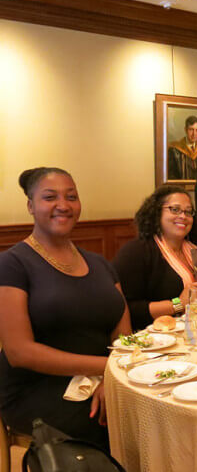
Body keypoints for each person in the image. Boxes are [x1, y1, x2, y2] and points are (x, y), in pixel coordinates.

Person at [0, 168, 131, 449]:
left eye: (71, 197)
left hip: (104, 376)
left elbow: (123, 337)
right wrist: (108, 368)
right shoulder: (12, 264)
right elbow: (19, 352)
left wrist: (112, 379)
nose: (63, 204)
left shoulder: (101, 264)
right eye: (50, 197)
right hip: (39, 388)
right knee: (117, 420)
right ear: (31, 206)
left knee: (150, 404)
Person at [112, 185, 197, 330]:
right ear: (156, 212)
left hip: (192, 332)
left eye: (188, 212)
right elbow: (127, 309)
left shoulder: (194, 250)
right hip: (153, 341)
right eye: (175, 209)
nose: (183, 216)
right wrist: (178, 304)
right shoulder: (136, 251)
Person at [167, 115, 197, 181]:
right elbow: (171, 176)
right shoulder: (175, 150)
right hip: (181, 189)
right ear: (185, 130)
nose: (194, 134)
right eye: (191, 129)